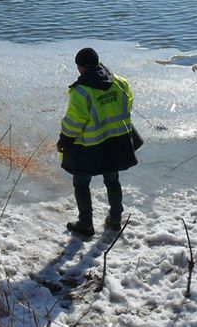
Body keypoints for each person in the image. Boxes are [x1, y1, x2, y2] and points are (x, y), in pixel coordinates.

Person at [57, 47, 141, 237]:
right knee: (112, 179)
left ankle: (86, 225)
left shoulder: (81, 91)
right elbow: (128, 104)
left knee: (81, 182)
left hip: (91, 146)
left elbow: (75, 121)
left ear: (81, 67)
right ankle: (115, 219)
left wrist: (64, 140)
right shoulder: (120, 82)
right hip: (116, 142)